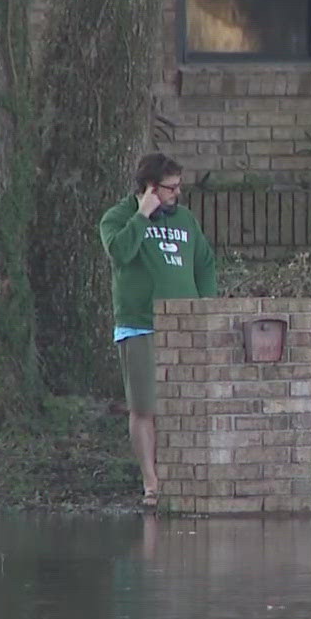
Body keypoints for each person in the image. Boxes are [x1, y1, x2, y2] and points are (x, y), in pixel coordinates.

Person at [99, 153, 217, 508]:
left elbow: (205, 263)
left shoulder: (185, 220)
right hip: (140, 325)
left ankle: (179, 476)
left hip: (185, 324)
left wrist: (205, 306)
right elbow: (120, 253)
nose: (177, 194)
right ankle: (151, 481)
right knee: (145, 407)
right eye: (170, 188)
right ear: (150, 188)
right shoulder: (118, 218)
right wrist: (142, 215)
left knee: (181, 405)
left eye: (179, 187)